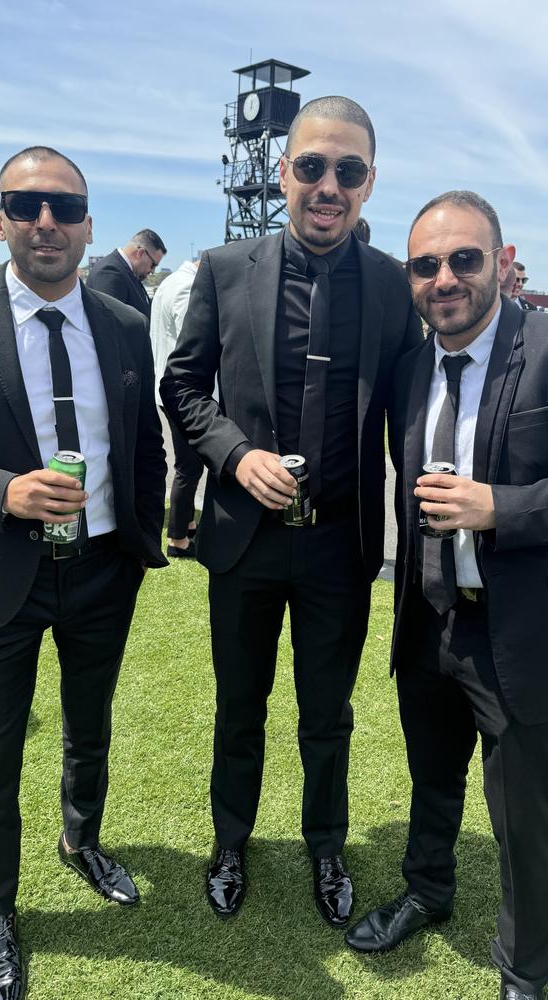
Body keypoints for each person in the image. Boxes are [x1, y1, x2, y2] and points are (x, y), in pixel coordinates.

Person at [161, 96, 422, 927]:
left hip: (339, 550)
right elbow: (183, 386)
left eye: (348, 171)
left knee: (327, 715)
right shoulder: (224, 267)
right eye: (312, 166)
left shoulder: (391, 286)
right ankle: (230, 842)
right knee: (241, 708)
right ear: (283, 173)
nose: (328, 185)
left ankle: (327, 846)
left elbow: (417, 403)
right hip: (244, 542)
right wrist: (237, 455)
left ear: (369, 183)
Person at [346, 190, 548, 1000]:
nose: (444, 278)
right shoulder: (409, 369)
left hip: (522, 633)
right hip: (430, 618)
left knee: (524, 819)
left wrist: (502, 507)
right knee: (432, 776)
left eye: (463, 259)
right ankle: (428, 889)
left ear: (502, 261)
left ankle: (524, 972)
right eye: (425, 265)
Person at [0, 145, 168, 1000]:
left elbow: (142, 442)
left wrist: (144, 544)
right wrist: (3, 489)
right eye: (26, 204)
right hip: (4, 575)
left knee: (90, 726)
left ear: (88, 226)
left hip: (104, 571)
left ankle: (82, 839)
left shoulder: (121, 321)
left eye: (65, 208)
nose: (47, 222)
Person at [151, 259, 203, 558]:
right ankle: (178, 538)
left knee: (188, 463)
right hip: (182, 390)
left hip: (167, 384)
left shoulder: (170, 282)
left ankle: (188, 523)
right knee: (189, 466)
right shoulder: (185, 286)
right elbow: (192, 338)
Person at [87, 229, 167, 319]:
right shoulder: (110, 272)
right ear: (140, 253)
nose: (153, 271)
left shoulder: (130, 273)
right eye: (153, 265)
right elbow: (112, 324)